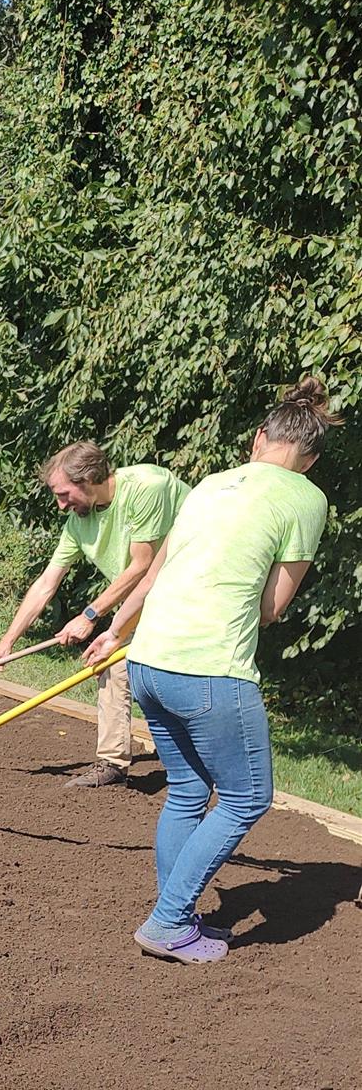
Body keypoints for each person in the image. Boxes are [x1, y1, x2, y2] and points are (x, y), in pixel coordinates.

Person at [82, 378, 337, 964]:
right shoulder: (307, 499)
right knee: (248, 798)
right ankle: (169, 921)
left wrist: (114, 632)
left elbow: (152, 575)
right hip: (209, 668)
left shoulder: (209, 485)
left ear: (259, 439)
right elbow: (271, 608)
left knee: (190, 790)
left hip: (147, 662)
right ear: (311, 459)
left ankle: (176, 912)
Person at [0, 443, 189, 788]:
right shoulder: (78, 523)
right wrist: (6, 644)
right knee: (110, 663)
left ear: (89, 478)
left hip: (191, 593)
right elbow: (46, 583)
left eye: (63, 494)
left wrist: (90, 615)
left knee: (164, 674)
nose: (61, 505)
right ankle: (113, 763)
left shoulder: (147, 487)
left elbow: (142, 564)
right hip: (144, 597)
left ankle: (197, 759)